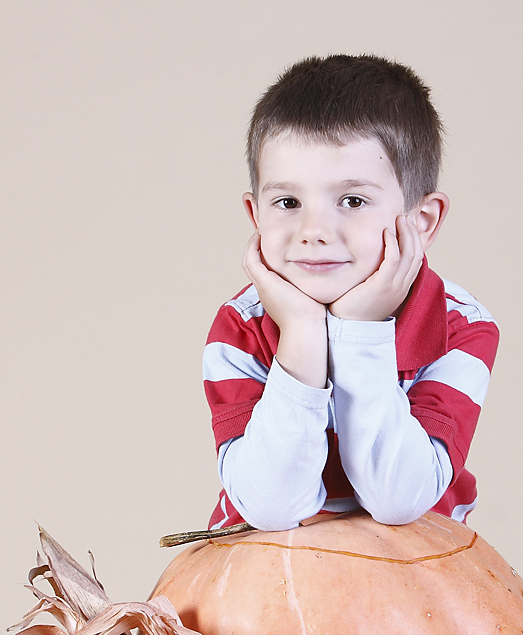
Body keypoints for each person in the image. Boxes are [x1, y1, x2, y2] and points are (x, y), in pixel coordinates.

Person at [203, 55, 498, 532]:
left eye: (353, 201)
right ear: (256, 215)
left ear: (421, 223)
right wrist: (301, 334)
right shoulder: (240, 327)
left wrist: (359, 331)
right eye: (288, 202)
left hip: (416, 586)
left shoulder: (461, 328)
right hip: (267, 582)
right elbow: (271, 508)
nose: (314, 230)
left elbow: (399, 500)